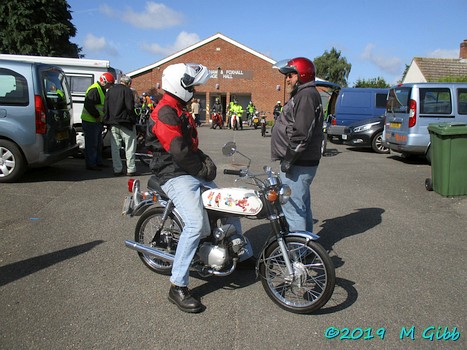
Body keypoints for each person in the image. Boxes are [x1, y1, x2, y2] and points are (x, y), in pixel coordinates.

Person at [146, 63, 253, 313]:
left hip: (187, 169)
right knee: (196, 225)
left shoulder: (178, 109)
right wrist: (202, 169)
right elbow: (179, 151)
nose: (194, 90)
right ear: (179, 85)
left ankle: (242, 254)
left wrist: (204, 160)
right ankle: (177, 286)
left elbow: (189, 147)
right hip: (173, 174)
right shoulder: (165, 112)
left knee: (229, 205)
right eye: (192, 86)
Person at [271, 57, 323, 233]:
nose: (287, 79)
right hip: (301, 162)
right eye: (287, 75)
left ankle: (296, 255)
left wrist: (289, 159)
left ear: (303, 74)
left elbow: (302, 134)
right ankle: (306, 247)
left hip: (298, 163)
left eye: (291, 75)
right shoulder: (304, 94)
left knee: (292, 209)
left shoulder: (306, 95)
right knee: (301, 206)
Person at [104, 75, 139, 176]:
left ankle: (117, 169)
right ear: (128, 83)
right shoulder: (127, 91)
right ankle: (131, 169)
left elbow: (106, 107)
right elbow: (129, 107)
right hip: (126, 123)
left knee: (115, 148)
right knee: (130, 147)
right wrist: (133, 120)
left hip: (113, 123)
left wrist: (106, 121)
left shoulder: (110, 91)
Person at [81, 72, 115, 170]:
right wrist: (96, 116)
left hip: (96, 121)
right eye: (109, 84)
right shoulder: (94, 89)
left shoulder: (100, 89)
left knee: (98, 144)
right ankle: (91, 164)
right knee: (92, 144)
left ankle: (97, 161)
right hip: (91, 121)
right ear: (103, 81)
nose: (109, 86)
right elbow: (89, 105)